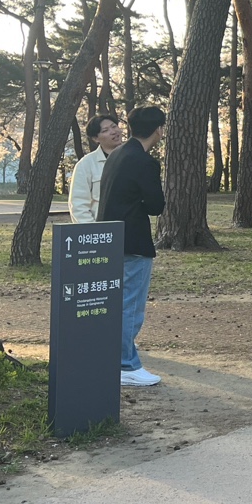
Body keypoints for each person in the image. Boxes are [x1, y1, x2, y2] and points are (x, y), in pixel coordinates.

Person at [99, 106, 167, 388]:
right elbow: (156, 206)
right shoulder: (144, 161)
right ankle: (126, 365)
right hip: (133, 241)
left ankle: (117, 360)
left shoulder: (116, 154)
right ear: (159, 130)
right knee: (130, 306)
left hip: (111, 238)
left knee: (118, 304)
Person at [69, 114, 124, 223]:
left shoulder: (132, 159)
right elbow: (78, 205)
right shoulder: (86, 165)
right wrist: (94, 232)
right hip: (101, 231)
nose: (113, 132)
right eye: (105, 130)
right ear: (95, 138)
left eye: (114, 126)